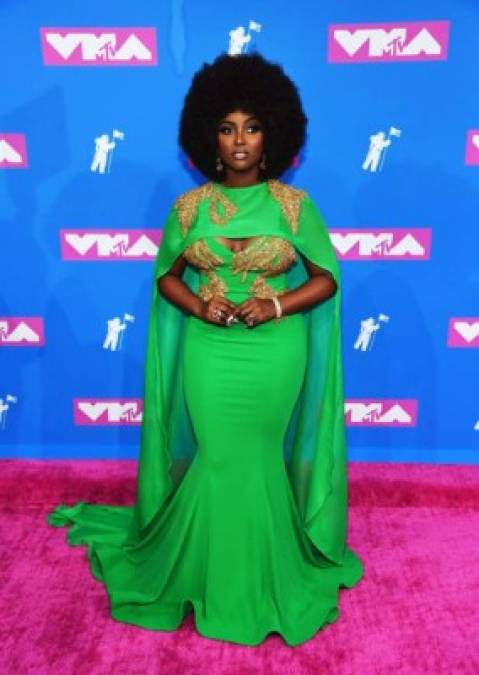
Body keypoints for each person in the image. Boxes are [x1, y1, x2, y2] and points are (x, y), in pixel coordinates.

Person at [47, 52, 364, 647]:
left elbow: (326, 279)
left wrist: (274, 304)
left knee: (257, 456)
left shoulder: (296, 207)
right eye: (226, 127)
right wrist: (200, 306)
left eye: (252, 126)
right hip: (208, 353)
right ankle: (206, 573)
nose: (240, 140)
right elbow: (167, 277)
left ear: (273, 133)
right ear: (207, 139)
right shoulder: (187, 210)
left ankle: (265, 577)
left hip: (275, 352)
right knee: (218, 455)